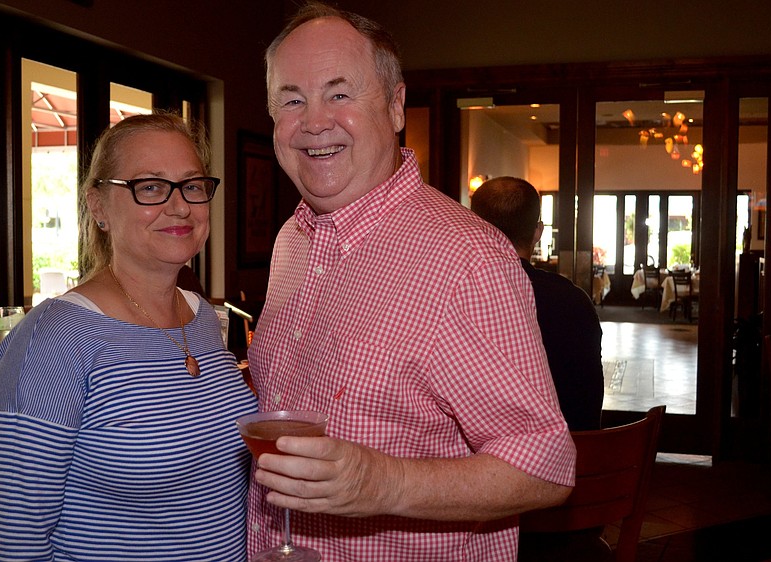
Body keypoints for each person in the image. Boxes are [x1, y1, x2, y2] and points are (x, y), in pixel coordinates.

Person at [245, 3, 576, 560]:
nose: (314, 121)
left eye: (340, 93)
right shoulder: (292, 240)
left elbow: (545, 466)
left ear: (396, 105)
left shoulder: (468, 258)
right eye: (292, 100)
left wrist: (382, 483)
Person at [0, 113, 257, 562]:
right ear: (98, 206)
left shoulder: (203, 318)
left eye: (192, 185)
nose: (180, 206)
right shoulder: (54, 336)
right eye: (150, 187)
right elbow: (8, 540)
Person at [471, 177, 604, 431]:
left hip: (484, 450)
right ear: (538, 232)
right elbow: (588, 401)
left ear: (473, 227)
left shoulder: (457, 295)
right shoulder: (573, 301)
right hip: (573, 446)